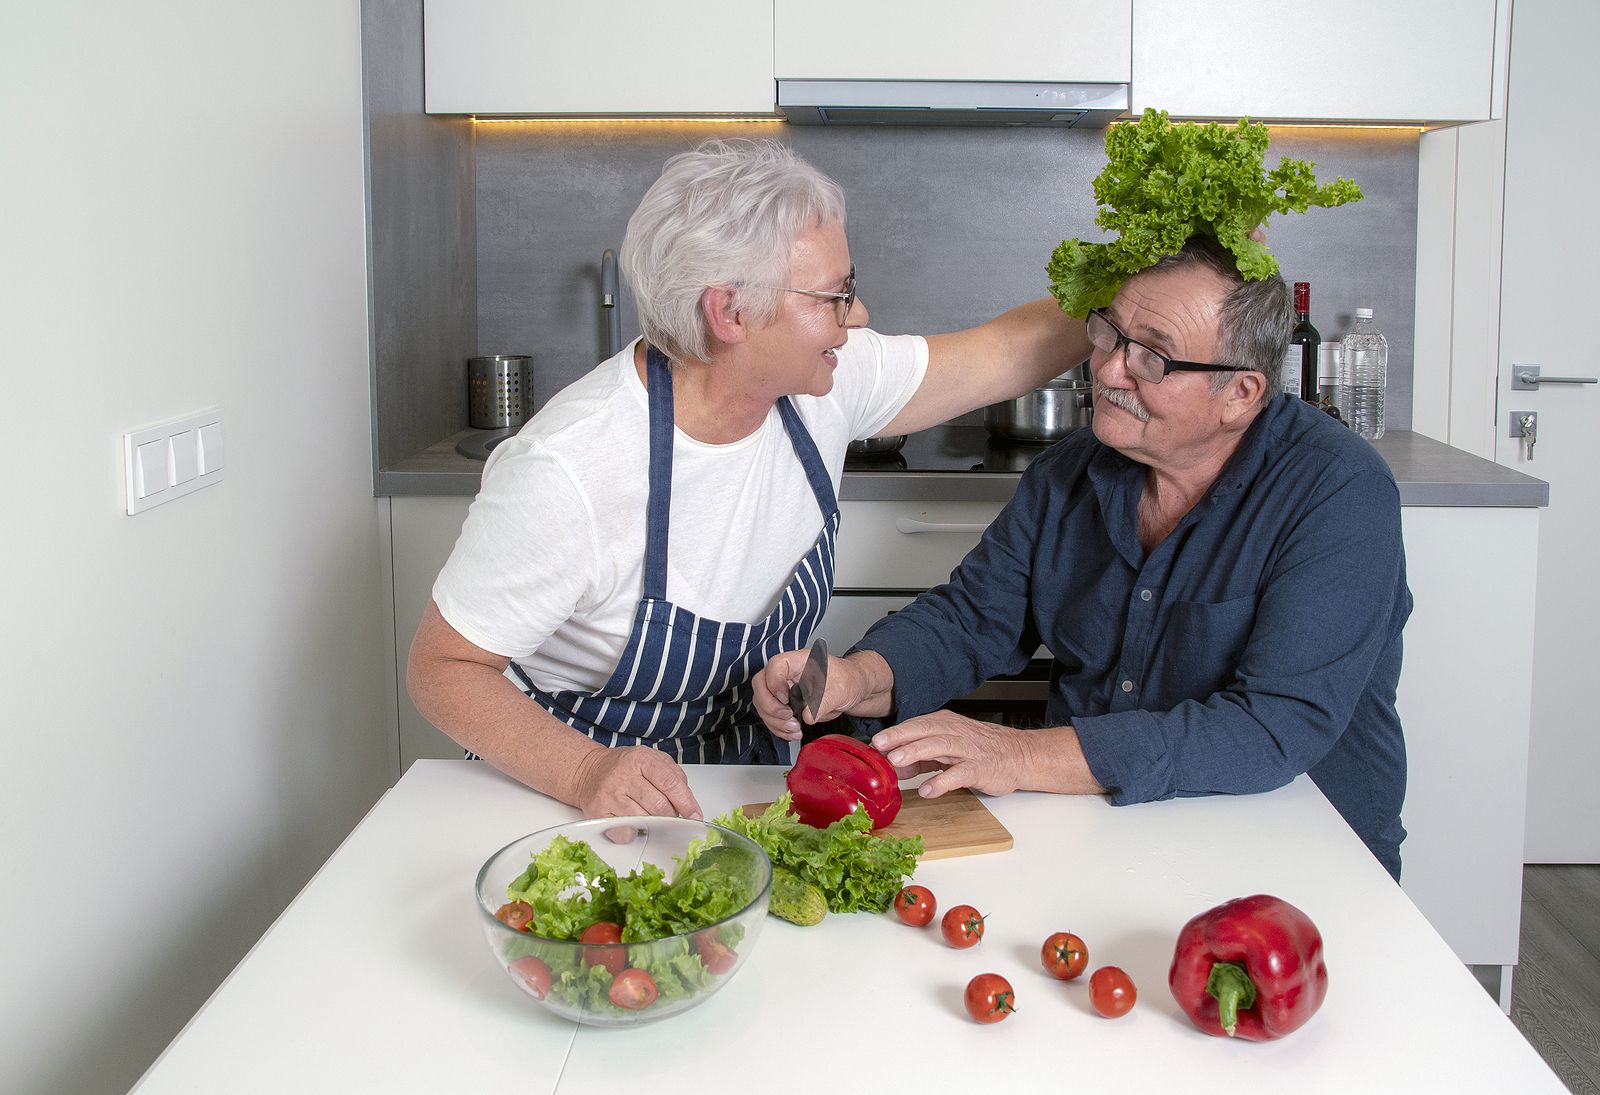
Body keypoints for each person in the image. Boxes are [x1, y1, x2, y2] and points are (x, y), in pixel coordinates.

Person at [407, 138, 1089, 822]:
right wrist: (586, 770)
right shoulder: (568, 470)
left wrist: (1126, 283)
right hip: (574, 800)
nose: (859, 315)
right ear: (730, 312)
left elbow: (1004, 352)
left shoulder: (825, 385)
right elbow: (442, 669)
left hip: (745, 785)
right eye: (833, 296)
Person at [755, 235, 1413, 879]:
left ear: (1241, 393)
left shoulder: (1339, 491)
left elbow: (1270, 728)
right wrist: (859, 677)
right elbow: (975, 616)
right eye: (1110, 333)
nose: (1108, 369)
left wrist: (1016, 754)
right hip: (1100, 834)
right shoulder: (1075, 469)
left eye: (1153, 357)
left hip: (1301, 853)